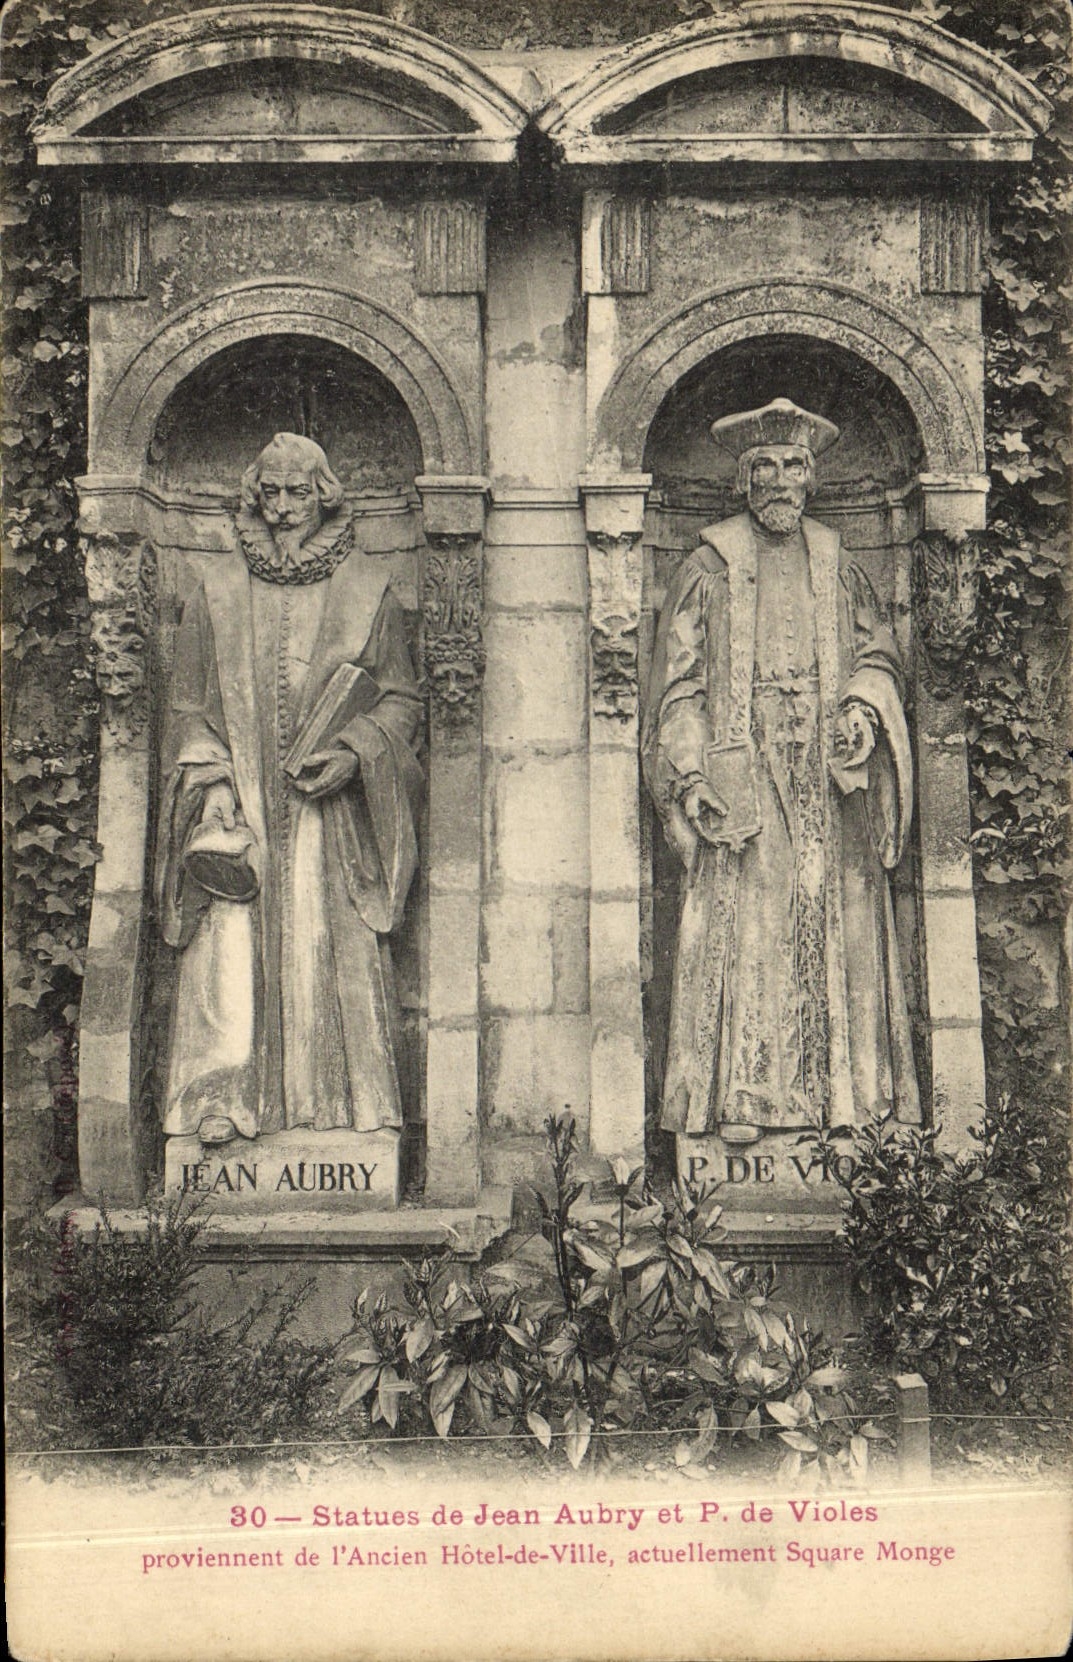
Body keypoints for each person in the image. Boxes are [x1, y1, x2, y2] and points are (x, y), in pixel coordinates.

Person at [642, 398, 919, 1136]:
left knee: (834, 915)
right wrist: (691, 776)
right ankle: (745, 1100)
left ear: (810, 478)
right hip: (744, 768)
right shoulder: (708, 566)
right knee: (752, 926)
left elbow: (879, 657)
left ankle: (843, 1100)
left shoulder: (839, 564)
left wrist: (861, 709)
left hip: (829, 772)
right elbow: (678, 688)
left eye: (793, 466)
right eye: (763, 467)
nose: (778, 480)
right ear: (743, 481)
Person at [155, 432, 423, 1146]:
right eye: (269, 492)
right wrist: (213, 783)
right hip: (236, 809)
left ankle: (338, 1106)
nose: (281, 508)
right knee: (225, 948)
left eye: (297, 492)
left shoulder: (369, 590)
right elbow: (187, 708)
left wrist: (355, 752)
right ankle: (219, 1099)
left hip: (328, 812)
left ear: (323, 497)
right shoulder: (213, 591)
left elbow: (402, 700)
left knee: (326, 940)